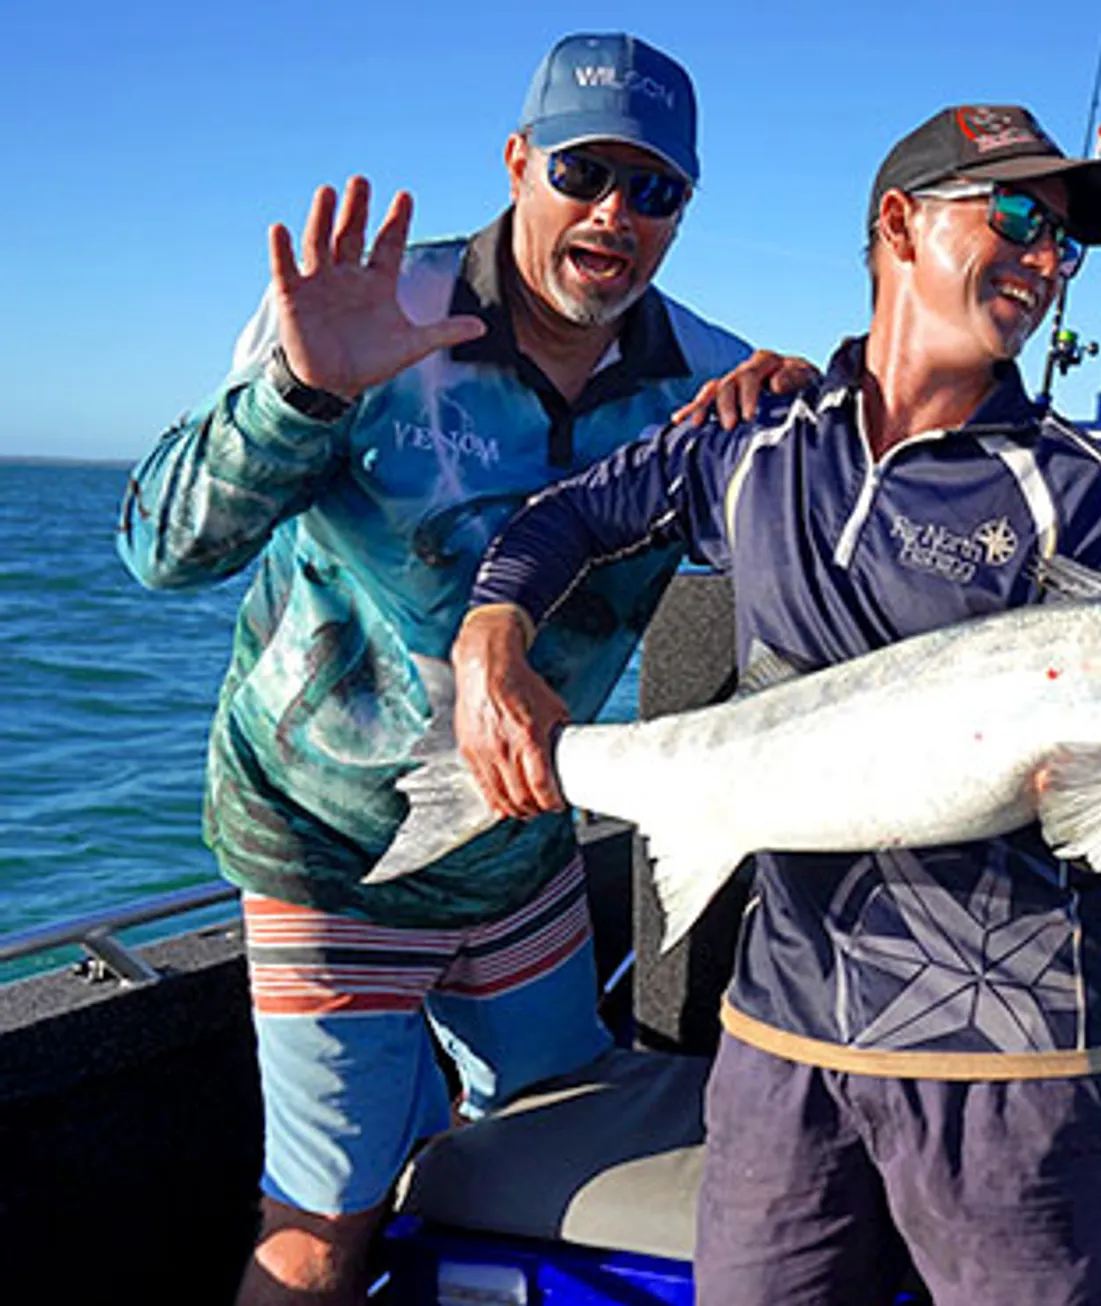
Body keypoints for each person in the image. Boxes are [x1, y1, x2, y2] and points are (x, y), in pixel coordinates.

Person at [115, 32, 781, 1305]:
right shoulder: (372, 311)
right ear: (519, 161)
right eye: (586, 170)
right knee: (319, 1230)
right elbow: (159, 547)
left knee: (544, 1153)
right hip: (326, 851)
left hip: (517, 853)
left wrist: (801, 403)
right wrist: (299, 392)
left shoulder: (702, 382)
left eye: (656, 192)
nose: (614, 214)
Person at [451, 105, 1101, 1305]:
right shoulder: (754, 434)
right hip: (778, 1042)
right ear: (898, 222)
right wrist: (490, 635)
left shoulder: (1081, 492)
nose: (1043, 262)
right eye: (1019, 218)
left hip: (1011, 1059)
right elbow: (561, 517)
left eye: (1065, 246)